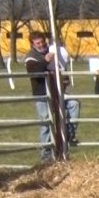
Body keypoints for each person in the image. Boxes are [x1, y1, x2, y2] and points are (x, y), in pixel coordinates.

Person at [25, 31, 80, 162]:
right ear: (32, 44)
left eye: (42, 41)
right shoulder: (31, 56)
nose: (41, 44)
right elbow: (33, 71)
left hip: (58, 91)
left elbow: (60, 68)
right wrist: (45, 60)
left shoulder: (54, 51)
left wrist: (65, 79)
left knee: (73, 104)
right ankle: (46, 154)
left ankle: (68, 135)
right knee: (46, 122)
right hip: (42, 93)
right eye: (38, 43)